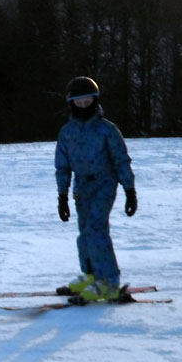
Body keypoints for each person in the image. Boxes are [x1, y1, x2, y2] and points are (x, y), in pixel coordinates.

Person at [54, 76, 138, 304]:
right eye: (78, 102)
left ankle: (108, 281)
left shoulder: (106, 130)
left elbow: (121, 159)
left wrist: (129, 190)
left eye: (87, 101)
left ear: (95, 100)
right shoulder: (67, 132)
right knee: (84, 231)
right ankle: (91, 274)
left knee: (96, 229)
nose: (83, 105)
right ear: (71, 103)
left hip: (104, 183)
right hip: (82, 186)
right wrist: (62, 196)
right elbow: (62, 166)